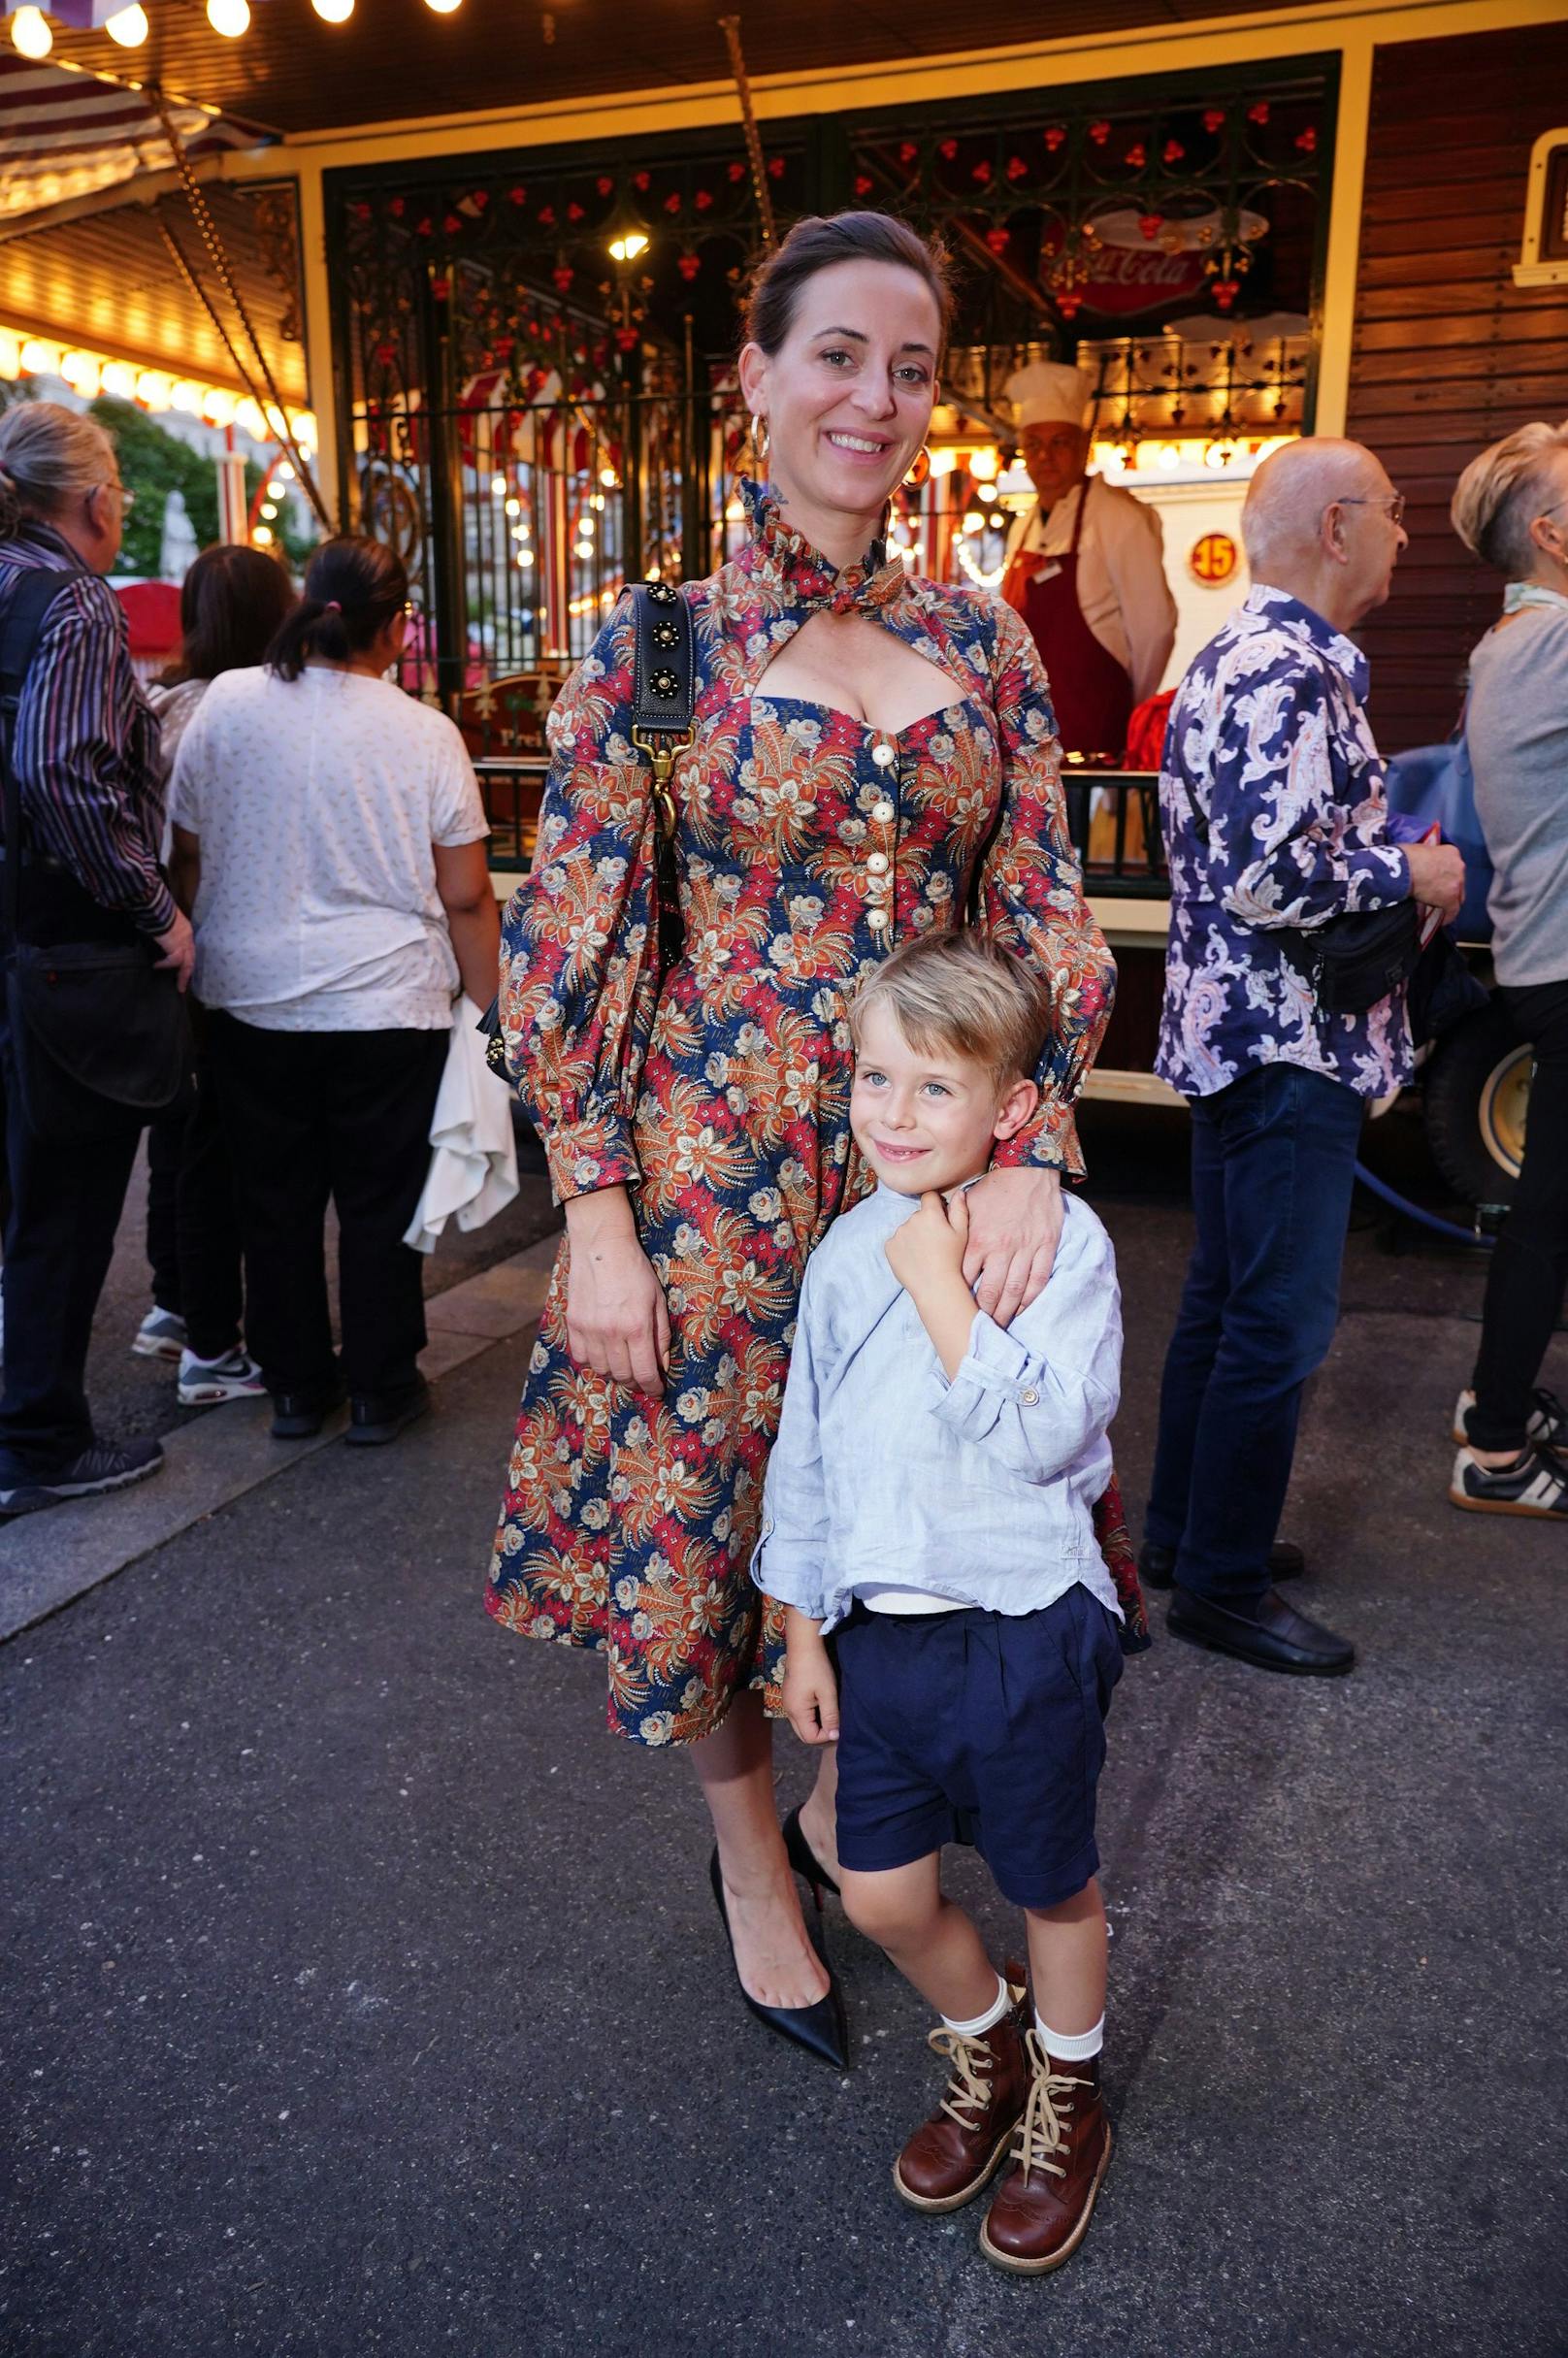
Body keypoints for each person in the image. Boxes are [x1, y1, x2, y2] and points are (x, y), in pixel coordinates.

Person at [487, 211, 1114, 2066]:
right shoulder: (658, 647)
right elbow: (574, 939)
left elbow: (1044, 910)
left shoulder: (983, 644)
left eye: (911, 369)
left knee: (918, 1509)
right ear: (756, 379)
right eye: (837, 354)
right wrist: (592, 1215)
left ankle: (872, 1813)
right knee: (707, 1540)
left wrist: (1031, 1141)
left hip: (927, 1165)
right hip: (711, 1195)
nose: (876, 399)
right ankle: (756, 1865)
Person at [759, 932, 1125, 2275]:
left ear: (1012, 1111)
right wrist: (802, 1622)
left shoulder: (1058, 1243)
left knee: (1049, 1882)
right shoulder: (849, 1251)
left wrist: (943, 1291)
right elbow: (809, 1447)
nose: (893, 1115)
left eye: (933, 1088)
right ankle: (992, 2039)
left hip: (1026, 1621)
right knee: (878, 1891)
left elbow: (1045, 1437)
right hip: (878, 1637)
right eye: (873, 1078)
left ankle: (1067, 2097)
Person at [1142, 437, 1464, 1673]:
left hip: (1243, 1036)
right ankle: (1217, 1582)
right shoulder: (1288, 668)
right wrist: (1417, 868)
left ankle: (1186, 1539)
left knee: (1225, 1306)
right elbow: (1275, 872)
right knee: (1270, 1325)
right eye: (1389, 510)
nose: (1400, 532)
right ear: (1335, 528)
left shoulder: (1241, 656)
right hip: (1288, 1043)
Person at [168, 535, 500, 1445]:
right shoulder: (422, 731)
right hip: (386, 1002)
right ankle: (384, 1388)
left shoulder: (226, 705)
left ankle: (295, 1387)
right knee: (379, 1203)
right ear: (392, 630)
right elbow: (466, 893)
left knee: (270, 1201)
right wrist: (491, 1010)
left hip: (250, 999)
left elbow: (186, 855)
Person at [0, 401, 193, 1517]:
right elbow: (61, 772)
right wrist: (154, 906)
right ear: (94, 498)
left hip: (11, 940)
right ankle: (37, 1438)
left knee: (27, 1200)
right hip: (71, 948)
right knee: (65, 1206)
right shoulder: (73, 600)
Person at [136, 543, 297, 1405]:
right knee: (224, 1156)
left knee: (183, 1141)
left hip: (162, 945)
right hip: (216, 945)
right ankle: (211, 1336)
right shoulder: (246, 709)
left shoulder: (165, 702)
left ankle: (174, 1307)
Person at [1446, 420, 1568, 1517]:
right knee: (1550, 1208)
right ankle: (1492, 1444)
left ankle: (1501, 1404)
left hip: (1543, 952)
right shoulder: (1552, 647)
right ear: (1550, 534)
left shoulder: (1509, 644)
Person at [999, 361, 1177, 759]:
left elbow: (1155, 631)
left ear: (1084, 446)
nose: (1045, 456)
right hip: (1029, 740)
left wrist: (1128, 709)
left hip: (1096, 736)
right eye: (1034, 444)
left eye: (1059, 442)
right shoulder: (1023, 526)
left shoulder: (1121, 519)